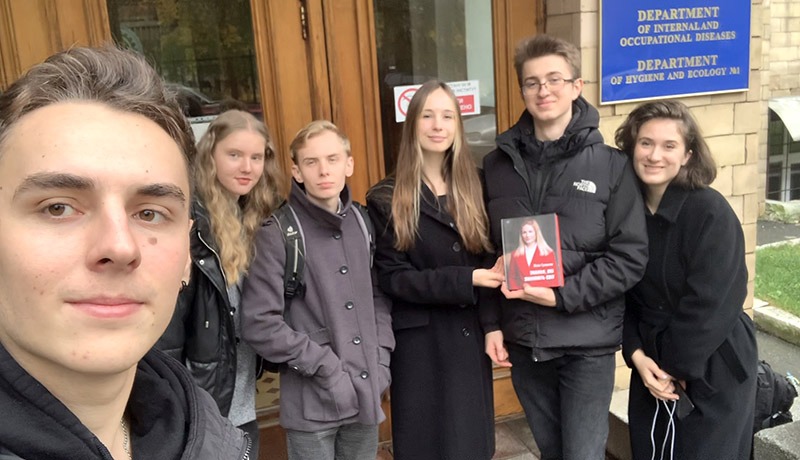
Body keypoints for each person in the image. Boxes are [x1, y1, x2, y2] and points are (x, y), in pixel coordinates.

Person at [0, 46, 249, 459]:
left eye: (150, 213)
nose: (119, 246)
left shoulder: (209, 436)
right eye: (58, 207)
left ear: (187, 256)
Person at [481, 34, 649, 460]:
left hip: (585, 345)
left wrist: (560, 295)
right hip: (525, 341)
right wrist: (491, 324)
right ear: (522, 90)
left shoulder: (612, 166)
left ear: (576, 86)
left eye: (554, 79)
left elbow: (629, 258)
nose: (544, 90)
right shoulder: (497, 165)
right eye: (532, 82)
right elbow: (486, 250)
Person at [366, 80, 503, 460]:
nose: (438, 125)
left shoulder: (478, 185)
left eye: (447, 116)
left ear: (458, 124)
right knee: (426, 443)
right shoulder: (386, 197)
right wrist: (466, 279)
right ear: (412, 124)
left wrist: (492, 325)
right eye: (427, 116)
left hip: (469, 336)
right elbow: (394, 277)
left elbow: (489, 260)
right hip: (419, 345)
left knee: (471, 444)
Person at [241, 120, 393, 460]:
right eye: (311, 162)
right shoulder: (277, 233)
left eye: (333, 159)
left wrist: (382, 357)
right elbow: (259, 323)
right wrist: (325, 367)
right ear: (297, 171)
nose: (324, 170)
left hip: (366, 391)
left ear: (348, 164)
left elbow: (377, 298)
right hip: (313, 403)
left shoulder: (362, 222)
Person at [615, 100, 757, 460]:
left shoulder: (710, 212)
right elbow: (620, 294)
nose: (654, 155)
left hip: (712, 363)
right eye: (646, 143)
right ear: (631, 147)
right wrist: (636, 356)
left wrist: (673, 368)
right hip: (651, 364)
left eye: (669, 145)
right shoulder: (624, 213)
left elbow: (709, 304)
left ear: (688, 155)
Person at [157, 109, 284, 458]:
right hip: (200, 398)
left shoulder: (256, 217)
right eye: (234, 155)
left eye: (256, 157)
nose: (247, 167)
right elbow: (169, 329)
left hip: (241, 394)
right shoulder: (190, 223)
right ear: (210, 155)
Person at [506, 218, 557, 290]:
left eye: (530, 231)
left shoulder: (548, 252)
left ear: (536, 232)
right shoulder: (515, 254)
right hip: (521, 293)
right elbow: (512, 277)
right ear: (521, 235)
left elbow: (553, 278)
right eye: (524, 232)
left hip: (543, 293)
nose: (527, 235)